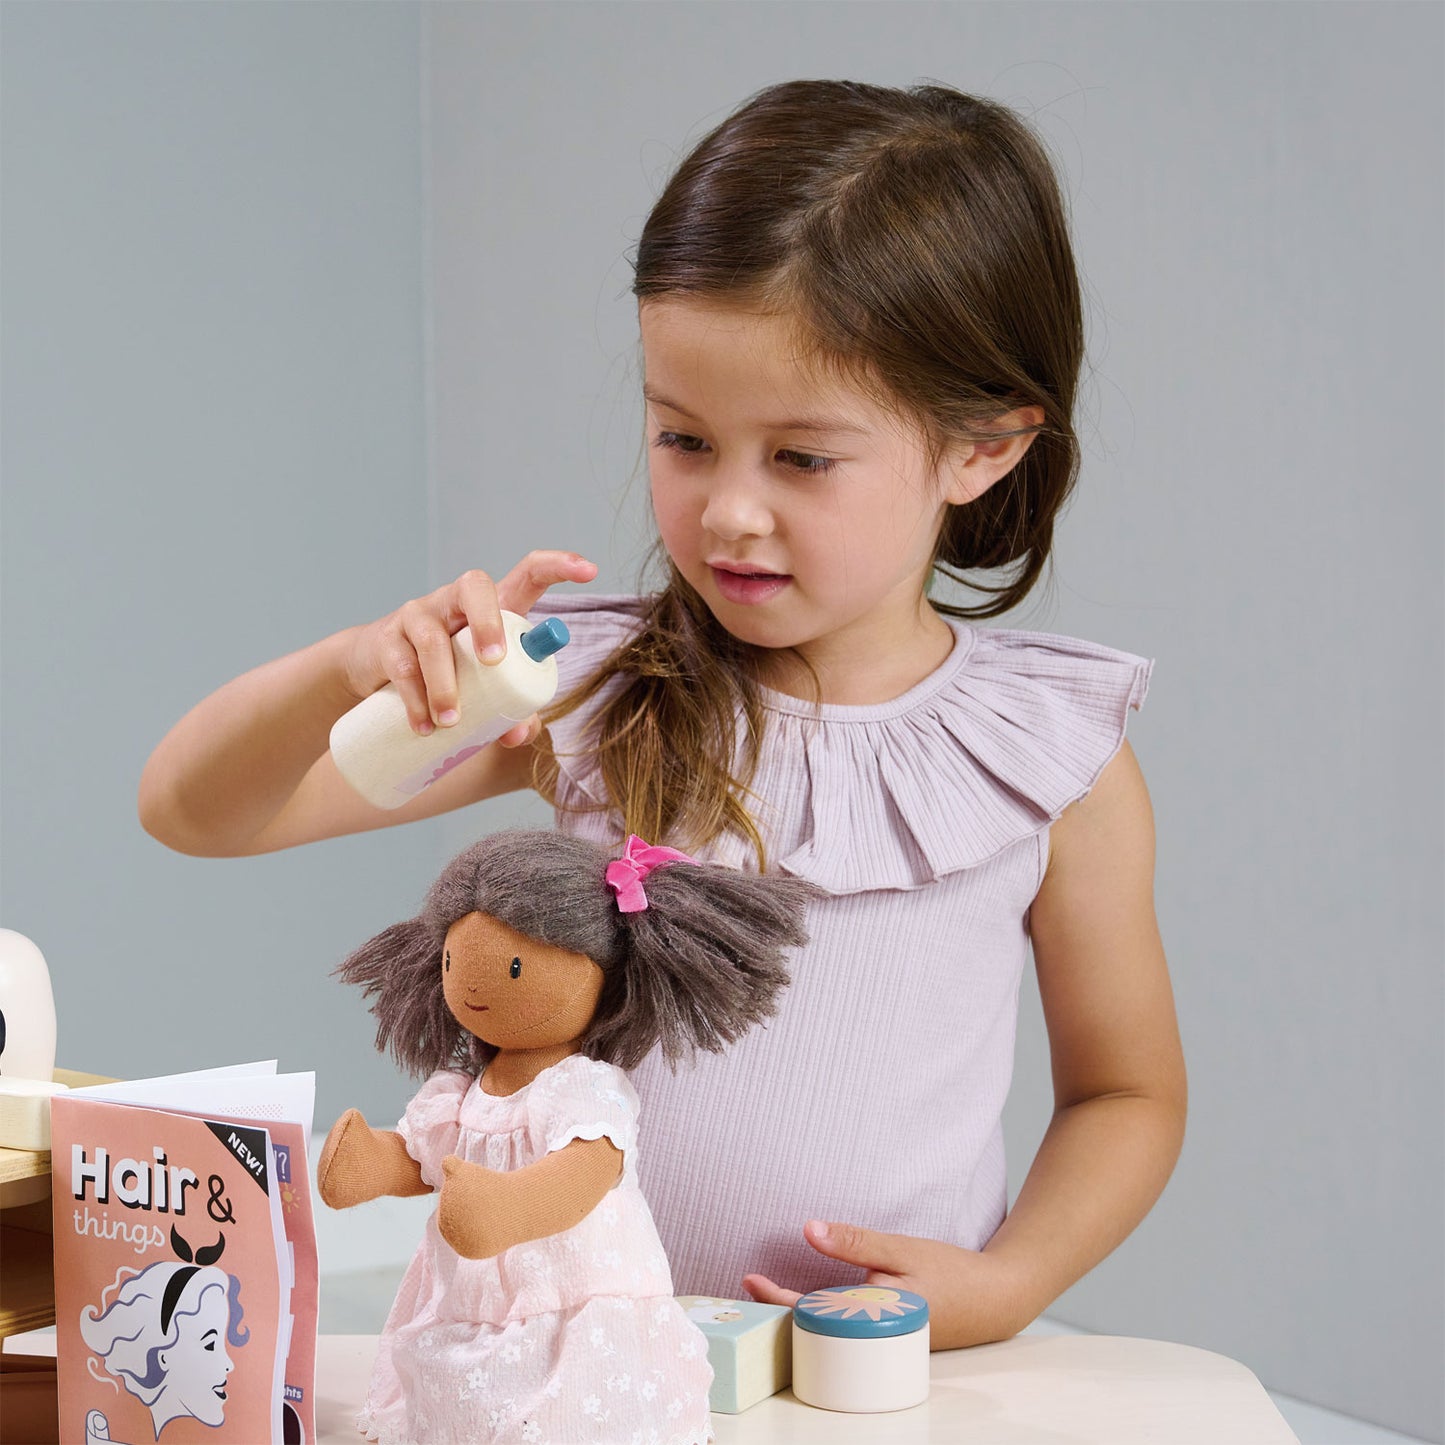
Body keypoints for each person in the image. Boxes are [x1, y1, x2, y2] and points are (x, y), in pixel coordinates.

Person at [140, 78, 1187, 1351]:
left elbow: (1126, 1092)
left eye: (800, 457)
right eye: (683, 437)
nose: (727, 510)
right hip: (562, 1364)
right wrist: (347, 668)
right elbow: (198, 813)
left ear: (983, 447)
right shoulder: (589, 689)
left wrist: (1012, 1278)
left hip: (862, 1376)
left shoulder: (1046, 761)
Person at [315, 828, 815, 1444]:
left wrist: (510, 1206)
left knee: (562, 1411)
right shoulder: (466, 1089)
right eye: (453, 962)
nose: (469, 986)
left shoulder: (579, 1088)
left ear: (595, 974)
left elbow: (583, 1174)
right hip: (471, 1292)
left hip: (567, 1290)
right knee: (465, 1401)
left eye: (514, 968)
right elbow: (429, 1158)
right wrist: (375, 1164)